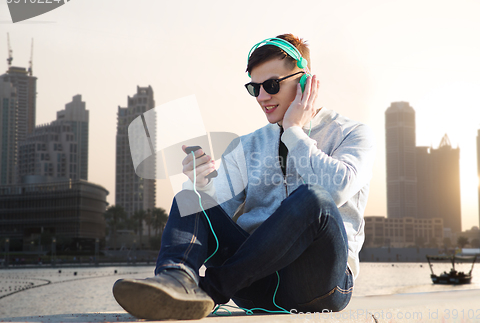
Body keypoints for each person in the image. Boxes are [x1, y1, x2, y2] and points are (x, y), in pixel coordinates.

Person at [113, 34, 376, 320]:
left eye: (272, 85)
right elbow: (216, 219)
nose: (262, 97)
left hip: (318, 285)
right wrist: (201, 184)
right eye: (255, 88)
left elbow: (336, 189)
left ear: (305, 83)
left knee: (314, 198)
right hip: (254, 285)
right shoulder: (245, 146)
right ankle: (175, 281)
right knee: (191, 197)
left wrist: (294, 132)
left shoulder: (352, 133)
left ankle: (208, 291)